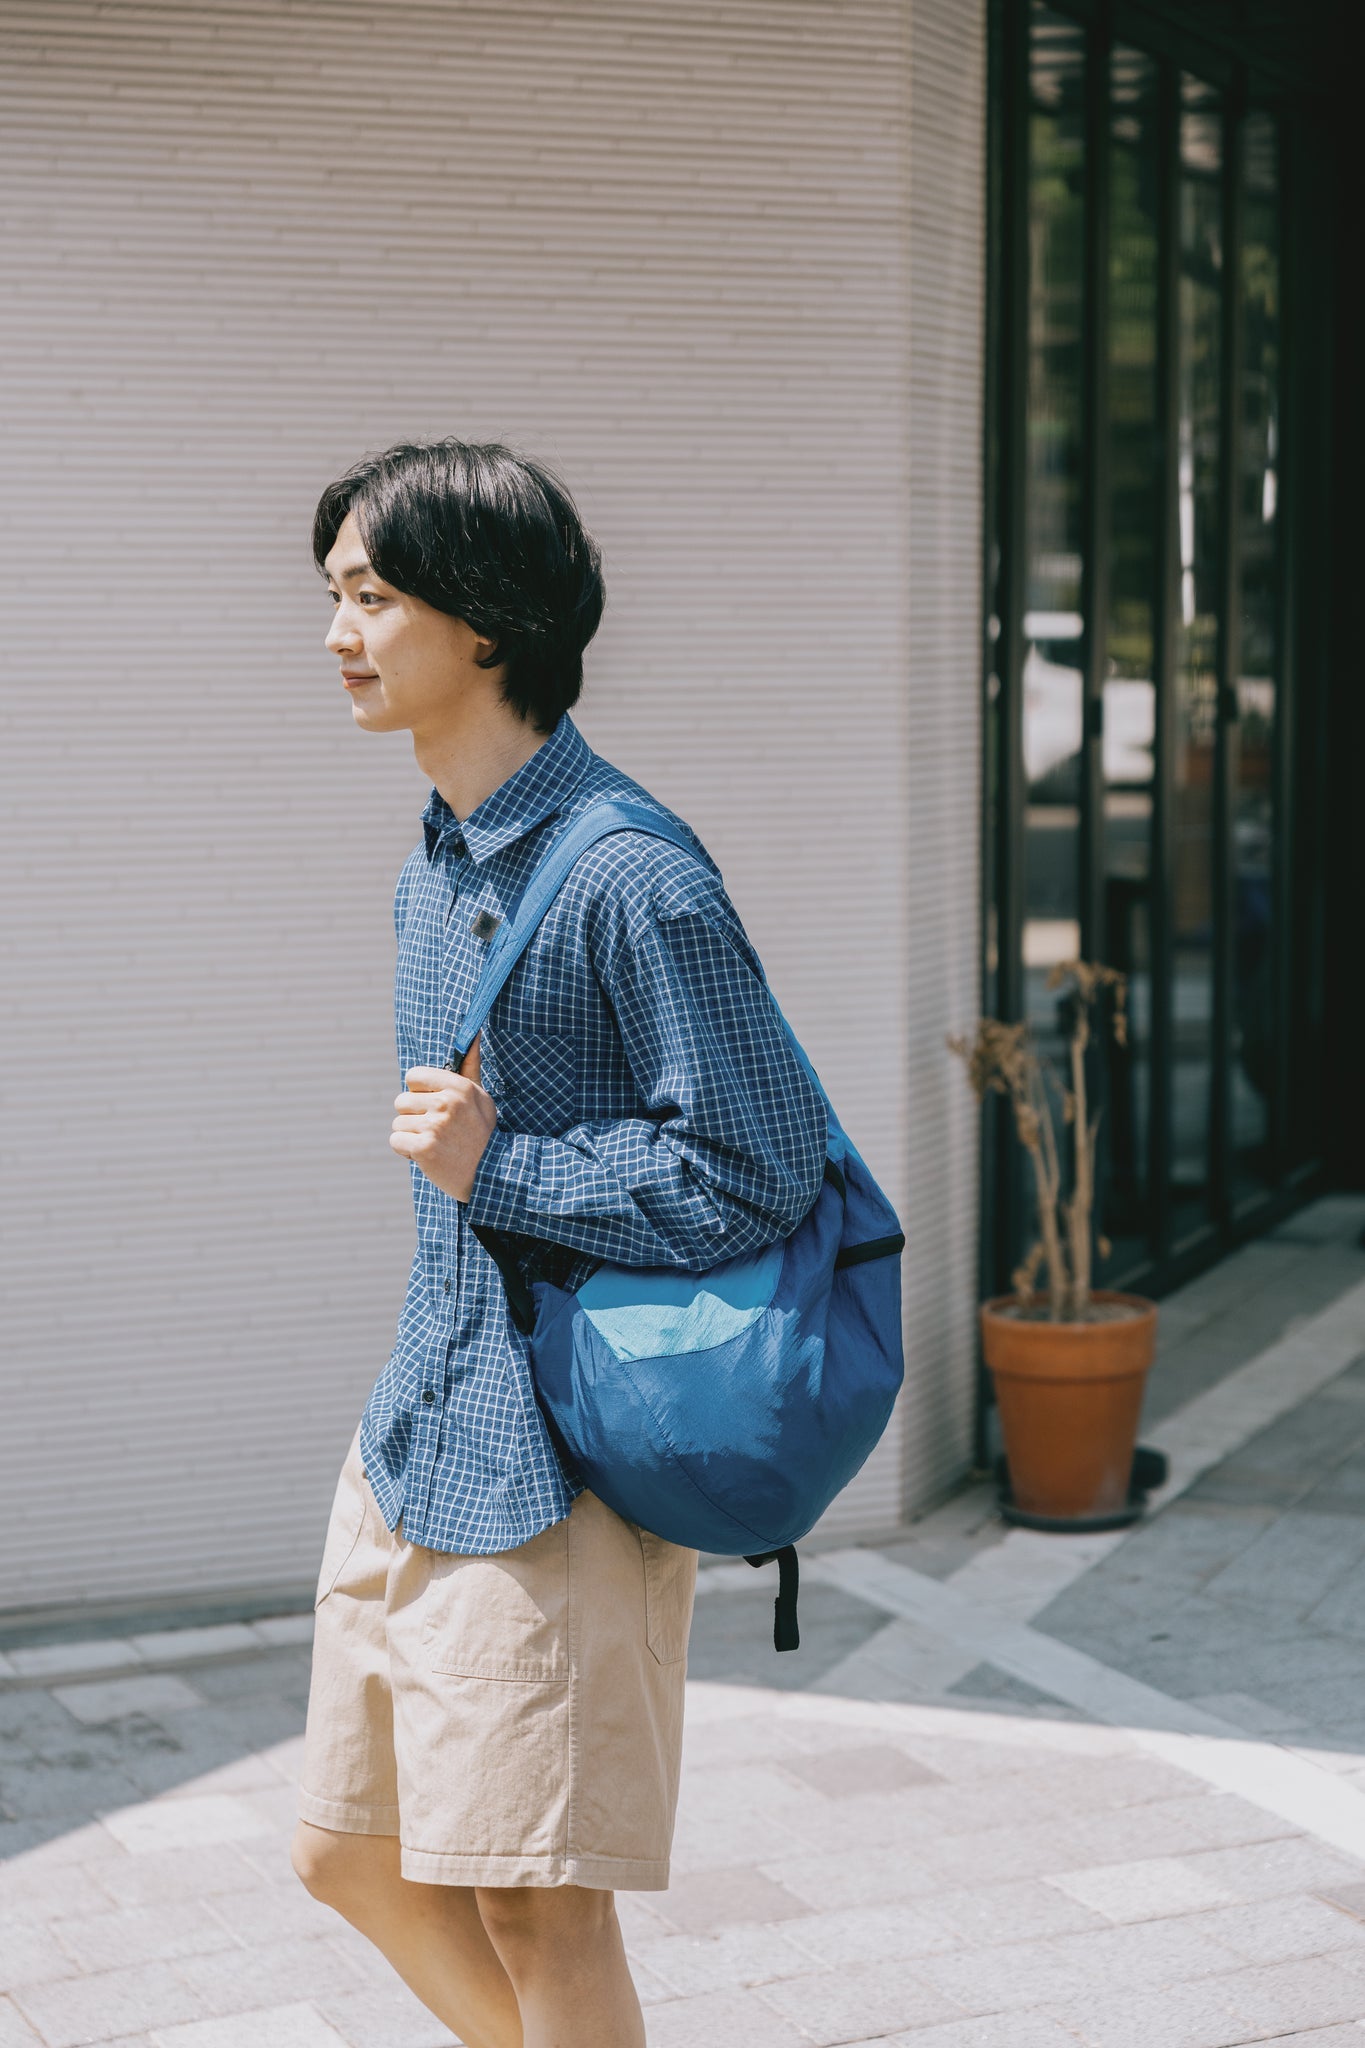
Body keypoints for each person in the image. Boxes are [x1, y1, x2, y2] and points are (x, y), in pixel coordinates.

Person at [289, 439, 826, 2048]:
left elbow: (759, 1167)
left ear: (490, 623)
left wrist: (503, 1165)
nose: (337, 633)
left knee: (537, 1898)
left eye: (373, 596)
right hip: (419, 1429)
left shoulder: (628, 875)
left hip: (563, 1469)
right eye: (333, 596)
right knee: (347, 1856)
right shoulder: (439, 861)